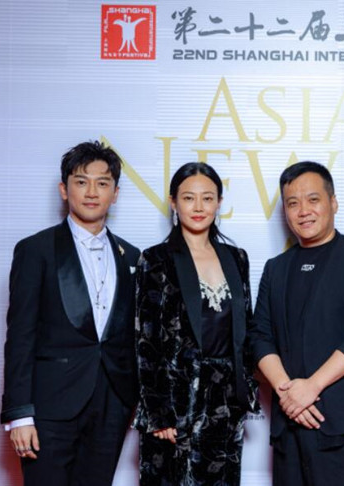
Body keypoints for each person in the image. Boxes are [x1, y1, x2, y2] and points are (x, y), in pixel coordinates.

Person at [1, 140, 140, 485]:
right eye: (81, 182)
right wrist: (20, 415)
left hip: (111, 405)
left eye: (102, 183)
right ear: (64, 190)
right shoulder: (36, 250)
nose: (92, 192)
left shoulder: (133, 256)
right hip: (49, 407)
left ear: (115, 193)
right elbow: (20, 336)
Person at [248, 161, 344, 486]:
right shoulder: (276, 268)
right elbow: (259, 336)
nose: (303, 211)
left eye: (313, 200)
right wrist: (288, 394)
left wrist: (311, 387)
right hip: (290, 429)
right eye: (292, 203)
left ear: (333, 202)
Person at [133, 162, 258, 485]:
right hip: (175, 404)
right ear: (173, 202)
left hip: (225, 403)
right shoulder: (155, 259)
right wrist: (158, 412)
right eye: (189, 198)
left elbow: (245, 330)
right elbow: (145, 340)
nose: (199, 207)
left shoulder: (237, 258)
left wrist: (245, 394)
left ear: (219, 202)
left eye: (208, 198)